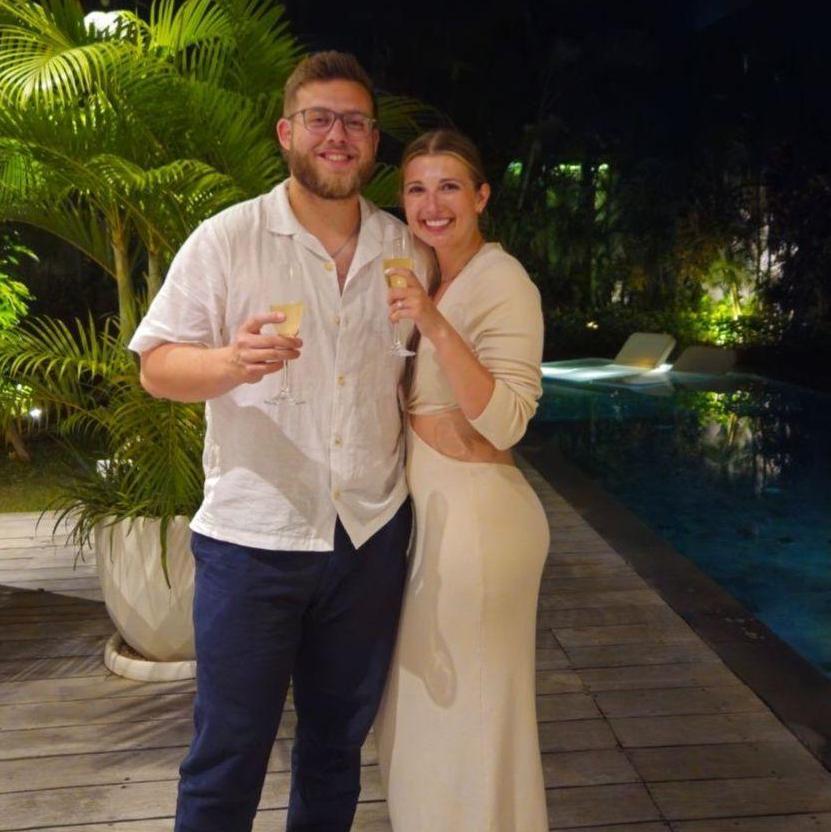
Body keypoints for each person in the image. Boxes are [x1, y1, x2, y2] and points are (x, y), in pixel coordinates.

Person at [129, 52, 425, 832]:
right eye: (319, 119)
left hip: (367, 536)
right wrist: (229, 362)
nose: (338, 135)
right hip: (252, 543)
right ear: (286, 132)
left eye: (355, 122)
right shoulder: (228, 239)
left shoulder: (405, 251)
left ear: (373, 141)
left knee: (335, 752)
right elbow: (156, 365)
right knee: (227, 755)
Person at [374, 129, 550, 831]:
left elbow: (507, 421)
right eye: (417, 188)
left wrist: (433, 322)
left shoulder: (502, 280)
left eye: (449, 186)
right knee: (425, 721)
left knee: (466, 725)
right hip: (436, 525)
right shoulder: (427, 271)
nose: (432, 204)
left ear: (481, 196)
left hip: (481, 528)